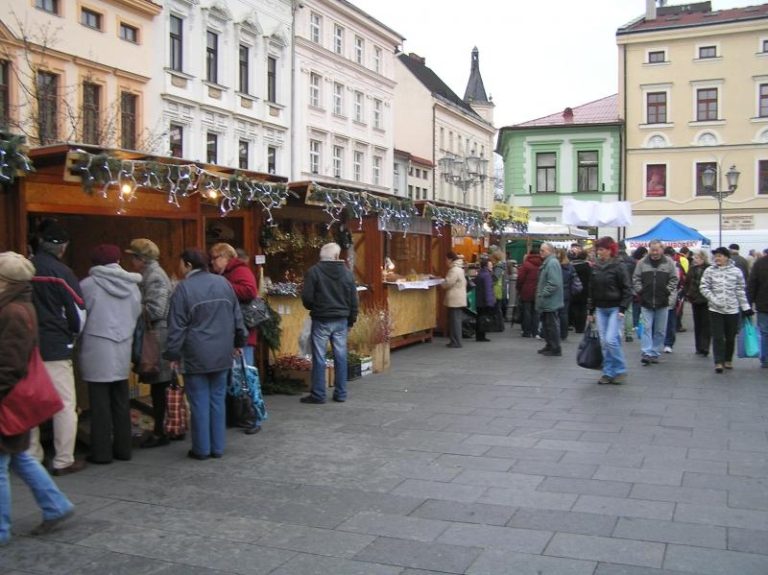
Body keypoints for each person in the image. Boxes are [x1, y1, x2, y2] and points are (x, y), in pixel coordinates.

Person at [0, 251, 75, 545]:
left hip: (8, 399)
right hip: (15, 398)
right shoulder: (19, 306)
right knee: (18, 456)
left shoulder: (12, 311)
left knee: (5, 462)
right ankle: (55, 505)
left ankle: (2, 529)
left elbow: (10, 364)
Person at [164, 248, 246, 460]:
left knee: (199, 401)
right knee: (217, 399)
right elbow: (237, 317)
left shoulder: (183, 289)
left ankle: (201, 449)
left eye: (181, 264)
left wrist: (172, 354)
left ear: (189, 265)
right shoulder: (223, 283)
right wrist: (238, 342)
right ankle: (217, 447)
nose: (179, 268)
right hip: (222, 352)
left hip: (195, 353)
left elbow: (176, 326)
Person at [28, 220, 87, 476]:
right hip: (55, 346)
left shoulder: (22, 269)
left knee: (28, 403)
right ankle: (63, 459)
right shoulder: (62, 273)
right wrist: (72, 335)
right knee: (64, 405)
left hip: (24, 346)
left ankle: (30, 456)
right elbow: (78, 314)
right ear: (63, 247)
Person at [79, 245, 142, 465]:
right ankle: (124, 449)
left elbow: (79, 318)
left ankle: (102, 453)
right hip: (122, 346)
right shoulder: (132, 286)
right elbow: (136, 313)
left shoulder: (87, 285)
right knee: (121, 401)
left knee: (99, 404)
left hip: (97, 347)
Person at [125, 238, 176, 448]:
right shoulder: (151, 274)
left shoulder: (154, 276)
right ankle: (163, 428)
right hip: (155, 335)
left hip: (156, 336)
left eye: (133, 257)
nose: (131, 262)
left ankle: (161, 430)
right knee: (159, 384)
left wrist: (132, 309)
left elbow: (156, 310)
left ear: (141, 259)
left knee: (160, 384)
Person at [210, 243, 261, 434]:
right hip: (230, 334)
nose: (212, 262)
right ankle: (237, 416)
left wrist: (224, 286)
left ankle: (253, 417)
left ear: (224, 256)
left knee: (245, 376)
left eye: (214, 258)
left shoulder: (239, 270)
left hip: (243, 334)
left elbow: (250, 291)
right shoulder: (225, 274)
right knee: (235, 378)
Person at [300, 243, 358, 404]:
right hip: (341, 319)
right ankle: (341, 393)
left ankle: (318, 394)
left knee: (319, 357)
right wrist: (351, 320)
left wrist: (316, 308)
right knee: (340, 356)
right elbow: (354, 300)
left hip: (321, 319)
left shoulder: (314, 272)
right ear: (337, 256)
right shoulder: (347, 274)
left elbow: (307, 298)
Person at [700, 247, 753, 373]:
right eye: (716, 256)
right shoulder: (709, 271)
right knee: (718, 336)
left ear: (727, 257)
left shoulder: (736, 272)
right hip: (715, 309)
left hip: (732, 309)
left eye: (720, 256)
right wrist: (713, 299)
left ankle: (728, 359)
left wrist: (746, 307)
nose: (717, 258)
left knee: (730, 337)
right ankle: (718, 362)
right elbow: (703, 287)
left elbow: (740, 290)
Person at [587, 237, 632, 384]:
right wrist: (590, 311)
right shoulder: (595, 267)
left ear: (609, 250)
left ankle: (620, 369)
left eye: (602, 249)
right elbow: (591, 289)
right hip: (601, 307)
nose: (599, 252)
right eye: (598, 249)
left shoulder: (619, 266)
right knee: (604, 342)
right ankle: (608, 372)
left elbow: (627, 288)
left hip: (615, 308)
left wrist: (623, 308)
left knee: (611, 340)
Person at [633, 239, 678, 366]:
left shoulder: (669, 262)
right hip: (646, 300)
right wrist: (640, 291)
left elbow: (674, 279)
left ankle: (654, 352)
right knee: (646, 328)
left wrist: (667, 291)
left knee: (660, 330)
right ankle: (646, 352)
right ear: (649, 249)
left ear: (662, 250)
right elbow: (636, 278)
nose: (654, 252)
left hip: (662, 301)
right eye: (652, 250)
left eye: (657, 250)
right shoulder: (642, 263)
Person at [535, 242, 564, 357]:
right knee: (547, 325)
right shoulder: (549, 262)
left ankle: (555, 347)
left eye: (543, 250)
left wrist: (543, 294)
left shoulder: (551, 263)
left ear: (550, 251)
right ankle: (550, 345)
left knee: (551, 325)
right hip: (548, 301)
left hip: (550, 301)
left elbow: (553, 283)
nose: (540, 252)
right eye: (540, 250)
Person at [686, 250, 711, 357]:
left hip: (706, 299)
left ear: (703, 258)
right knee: (698, 324)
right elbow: (687, 282)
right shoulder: (692, 269)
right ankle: (698, 347)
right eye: (695, 257)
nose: (695, 260)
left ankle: (705, 346)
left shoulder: (709, 269)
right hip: (695, 299)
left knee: (706, 324)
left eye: (697, 257)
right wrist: (689, 294)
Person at [747, 247, 768, 368]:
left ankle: (765, 359)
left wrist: (748, 304)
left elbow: (752, 285)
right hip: (763, 303)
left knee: (765, 333)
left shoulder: (759, 263)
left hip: (763, 304)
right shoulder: (759, 263)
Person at [441, 251, 467, 348]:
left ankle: (456, 342)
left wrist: (442, 283)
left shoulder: (454, 270)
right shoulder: (459, 269)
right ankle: (455, 341)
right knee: (455, 320)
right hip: (458, 298)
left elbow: (448, 283)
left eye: (446, 259)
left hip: (454, 299)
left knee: (454, 321)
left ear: (450, 259)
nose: (445, 261)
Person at [516, 247, 542, 338]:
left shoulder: (526, 264)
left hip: (526, 291)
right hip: (538, 290)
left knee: (527, 312)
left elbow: (520, 278)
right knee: (536, 312)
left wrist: (519, 289)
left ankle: (526, 331)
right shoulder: (542, 263)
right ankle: (535, 331)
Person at [474, 255, 495, 343]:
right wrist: (490, 302)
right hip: (484, 301)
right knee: (483, 318)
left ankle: (479, 335)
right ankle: (482, 336)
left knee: (479, 317)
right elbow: (488, 290)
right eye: (490, 265)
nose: (492, 266)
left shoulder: (480, 274)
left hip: (479, 300)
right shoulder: (487, 275)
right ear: (486, 266)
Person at [570, 250, 592, 334]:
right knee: (583, 308)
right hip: (585, 290)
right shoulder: (587, 266)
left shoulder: (572, 265)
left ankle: (576, 325)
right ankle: (581, 327)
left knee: (575, 307)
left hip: (574, 289)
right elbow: (591, 279)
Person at [557, 248, 577, 341]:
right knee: (564, 314)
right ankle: (564, 334)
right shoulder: (569, 266)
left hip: (556, 292)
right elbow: (574, 279)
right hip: (567, 292)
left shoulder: (555, 266)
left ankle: (555, 332)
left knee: (555, 313)